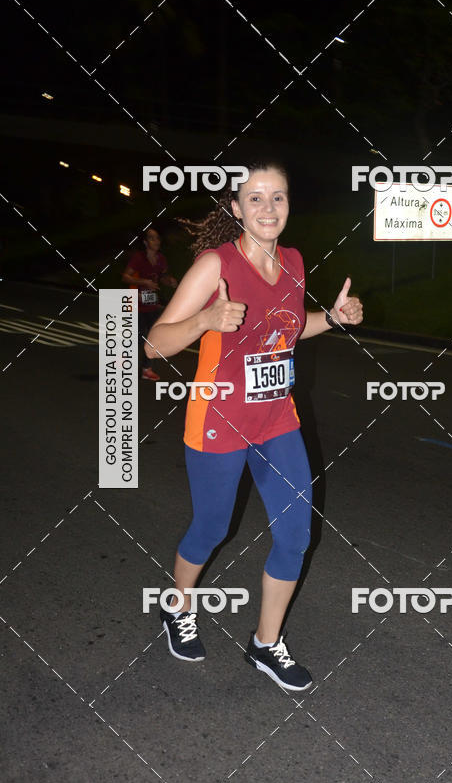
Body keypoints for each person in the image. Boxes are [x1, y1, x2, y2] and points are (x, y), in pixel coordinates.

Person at [146, 162, 363, 691]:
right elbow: (154, 344)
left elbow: (286, 330)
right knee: (212, 529)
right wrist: (204, 320)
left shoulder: (294, 262)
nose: (268, 208)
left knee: (295, 537)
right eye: (256, 198)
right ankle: (177, 606)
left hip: (276, 420)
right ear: (237, 208)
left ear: (289, 205)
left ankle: (265, 644)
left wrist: (332, 319)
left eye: (278, 197)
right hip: (219, 421)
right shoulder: (214, 266)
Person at [122, 227, 178, 381]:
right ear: (146, 242)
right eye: (152, 238)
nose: (156, 241)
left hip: (152, 301)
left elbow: (162, 277)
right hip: (137, 301)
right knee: (139, 337)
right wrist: (144, 282)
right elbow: (125, 277)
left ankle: (146, 369)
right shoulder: (138, 258)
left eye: (158, 238)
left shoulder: (161, 259)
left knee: (152, 337)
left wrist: (170, 281)